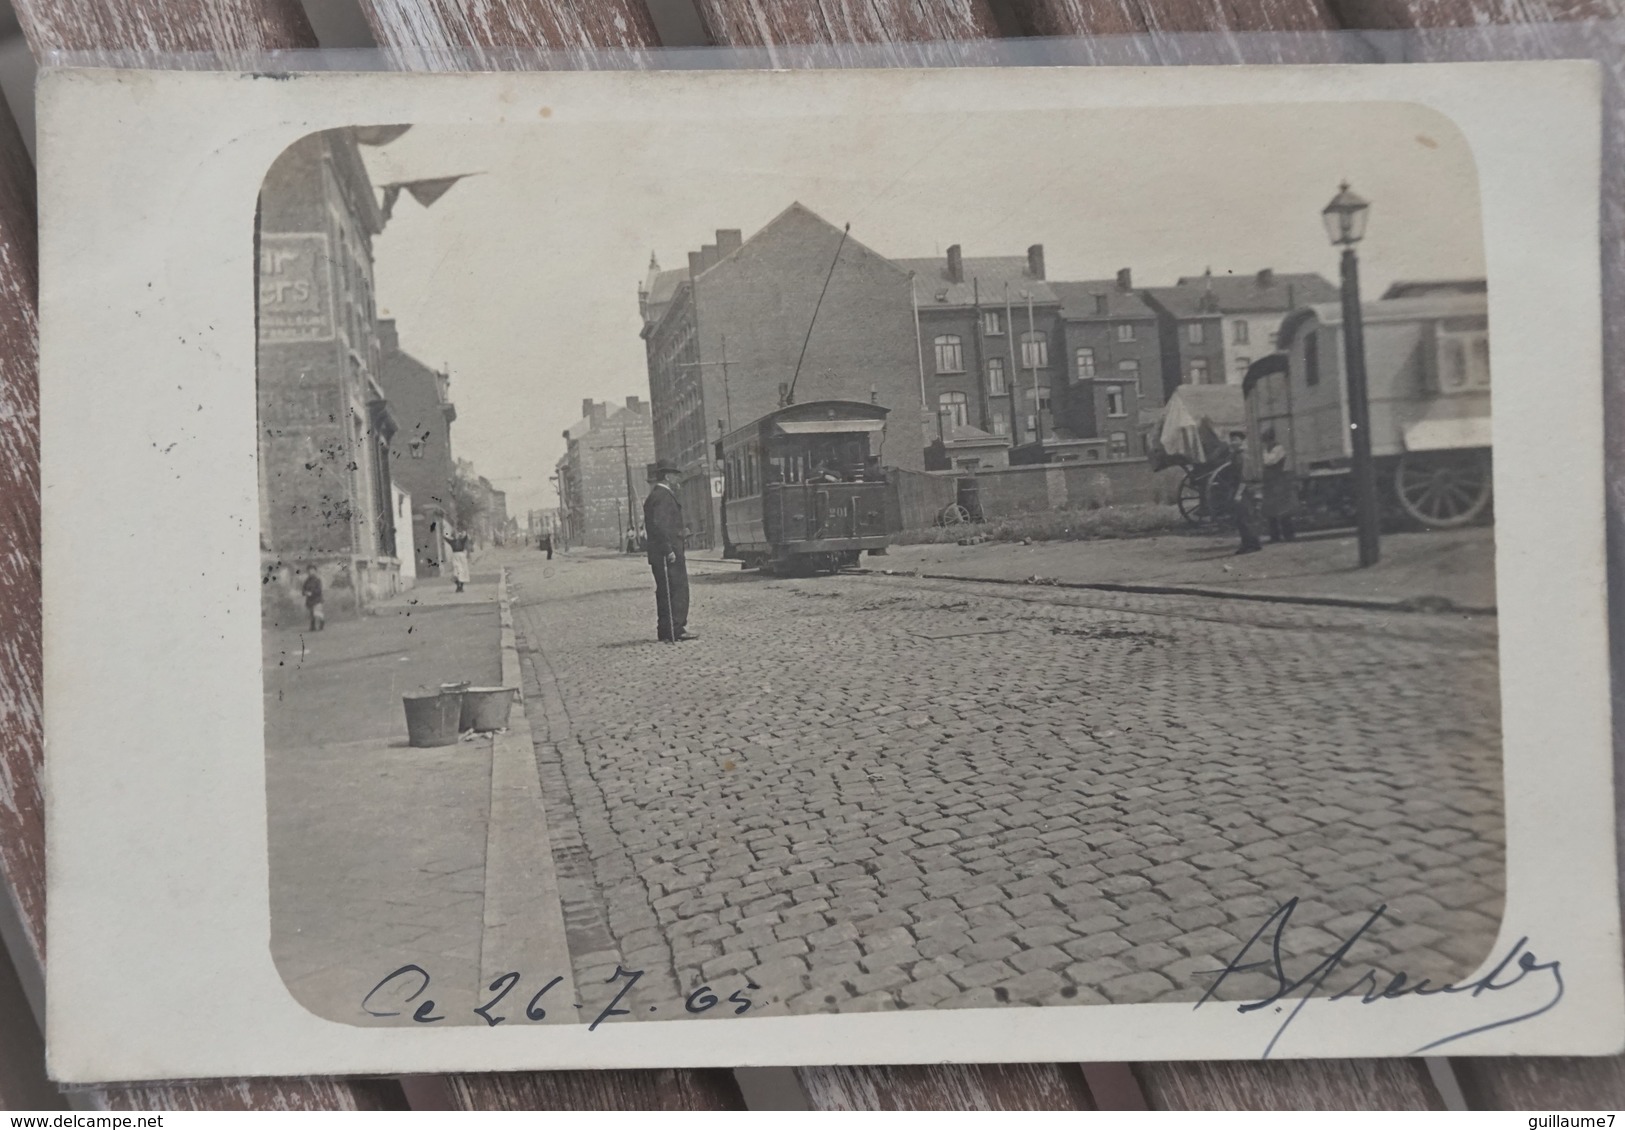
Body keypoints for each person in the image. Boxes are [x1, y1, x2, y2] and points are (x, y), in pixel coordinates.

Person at [643, 461, 695, 643]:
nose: (677, 478)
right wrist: (668, 549)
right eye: (675, 475)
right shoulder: (663, 496)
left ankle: (665, 630)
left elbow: (661, 525)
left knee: (665, 591)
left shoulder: (655, 496)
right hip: (668, 553)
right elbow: (659, 525)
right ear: (667, 477)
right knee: (676, 589)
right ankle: (676, 630)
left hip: (661, 552)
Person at [1225, 430, 1262, 555]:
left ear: (1241, 441)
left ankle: (1251, 544)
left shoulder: (1243, 456)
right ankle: (1250, 544)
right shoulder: (1235, 455)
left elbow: (1244, 477)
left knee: (1245, 518)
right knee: (1243, 518)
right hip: (1240, 489)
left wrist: (1238, 493)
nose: (1233, 442)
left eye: (1235, 440)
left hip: (1244, 489)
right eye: (1232, 440)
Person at [1260, 427, 1298, 543]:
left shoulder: (1278, 449)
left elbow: (1269, 461)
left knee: (1283, 511)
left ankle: (1288, 535)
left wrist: (1265, 451)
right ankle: (1275, 536)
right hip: (1271, 483)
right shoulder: (1270, 448)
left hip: (1278, 482)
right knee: (1271, 511)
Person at [443, 528, 471, 592]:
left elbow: (466, 537)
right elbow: (446, 538)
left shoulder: (462, 541)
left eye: (457, 534)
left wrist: (465, 532)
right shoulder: (452, 541)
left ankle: (460, 587)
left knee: (463, 572)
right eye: (454, 534)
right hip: (455, 557)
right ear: (453, 535)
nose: (456, 535)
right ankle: (458, 586)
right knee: (456, 572)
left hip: (462, 557)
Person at [301, 568, 325, 632]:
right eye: (309, 571)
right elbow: (303, 589)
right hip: (310, 599)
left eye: (312, 571)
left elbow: (319, 590)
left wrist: (312, 593)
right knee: (311, 613)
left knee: (317, 612)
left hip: (317, 598)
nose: (310, 573)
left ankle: (321, 623)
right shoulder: (307, 581)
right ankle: (313, 626)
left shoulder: (317, 580)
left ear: (315, 572)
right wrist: (305, 592)